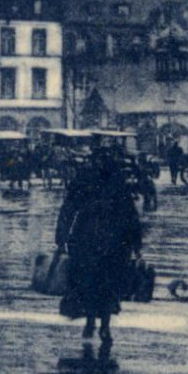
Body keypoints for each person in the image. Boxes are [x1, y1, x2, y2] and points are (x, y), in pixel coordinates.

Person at [55, 146, 143, 344]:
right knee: (106, 284)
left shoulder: (86, 179)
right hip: (109, 240)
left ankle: (95, 322)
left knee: (92, 283)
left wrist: (61, 238)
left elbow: (68, 208)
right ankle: (101, 324)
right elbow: (131, 215)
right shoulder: (116, 180)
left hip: (90, 239)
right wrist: (136, 244)